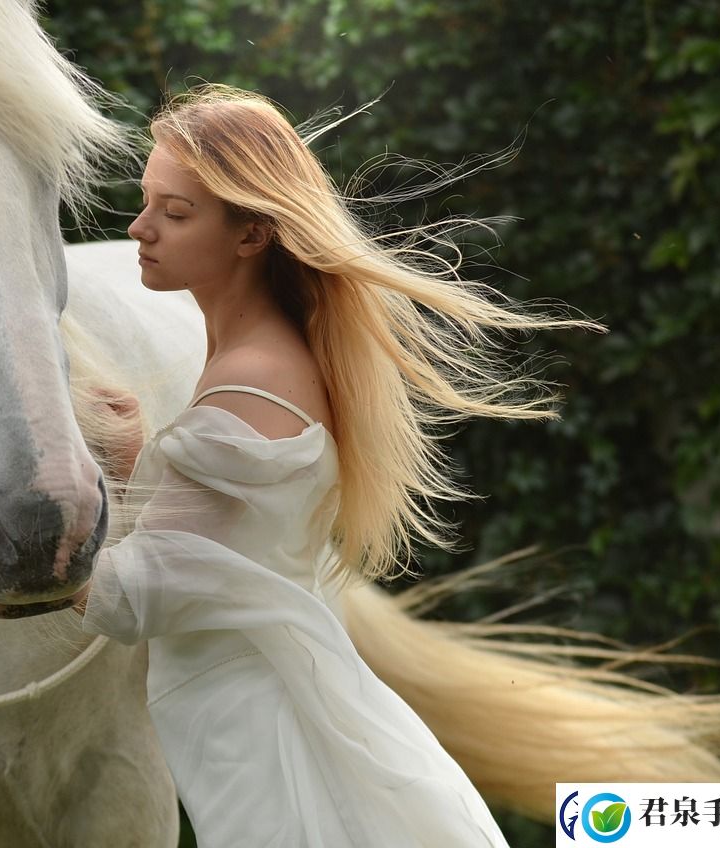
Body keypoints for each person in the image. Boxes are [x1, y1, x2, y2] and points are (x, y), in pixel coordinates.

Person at [68, 83, 608, 847]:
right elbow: (219, 554)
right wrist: (129, 465)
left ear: (251, 235)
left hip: (265, 741)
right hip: (255, 717)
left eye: (175, 213)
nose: (139, 228)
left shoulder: (247, 381)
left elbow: (130, 602)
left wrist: (21, 565)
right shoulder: (263, 357)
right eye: (147, 200)